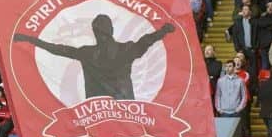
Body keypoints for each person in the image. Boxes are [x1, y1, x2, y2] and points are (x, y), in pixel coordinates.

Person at [14, 16, 175, 100]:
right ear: (111, 29)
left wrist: (31, 40)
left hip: (101, 112)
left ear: (95, 32)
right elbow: (146, 41)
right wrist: (163, 31)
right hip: (120, 109)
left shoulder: (87, 52)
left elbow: (57, 49)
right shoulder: (126, 49)